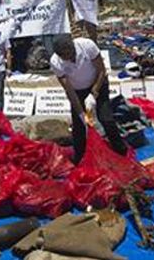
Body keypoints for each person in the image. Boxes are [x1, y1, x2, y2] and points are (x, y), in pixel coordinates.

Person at [50, 35, 127, 164]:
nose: (68, 58)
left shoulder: (87, 45)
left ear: (72, 46)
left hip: (97, 83)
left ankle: (121, 151)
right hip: (77, 91)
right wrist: (81, 113)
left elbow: (101, 70)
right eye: (63, 56)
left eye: (69, 53)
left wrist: (94, 93)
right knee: (79, 127)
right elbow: (69, 89)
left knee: (106, 118)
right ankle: (79, 158)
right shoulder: (56, 62)